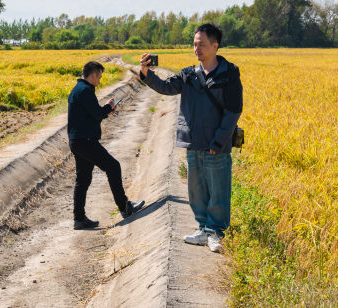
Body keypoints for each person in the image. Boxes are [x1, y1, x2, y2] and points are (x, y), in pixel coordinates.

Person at [139, 23, 242, 253]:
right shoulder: (189, 75)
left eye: (202, 44)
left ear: (215, 46)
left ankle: (216, 233)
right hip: (193, 142)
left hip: (217, 144)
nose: (197, 49)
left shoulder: (229, 74)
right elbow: (166, 87)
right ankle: (203, 228)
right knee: (196, 190)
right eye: (195, 44)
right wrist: (147, 74)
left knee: (219, 190)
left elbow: (234, 111)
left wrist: (219, 141)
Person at [68, 60, 144, 230]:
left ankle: (79, 218)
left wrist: (106, 109)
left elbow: (91, 114)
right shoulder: (86, 91)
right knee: (113, 167)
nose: (100, 80)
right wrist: (109, 107)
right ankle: (125, 207)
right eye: (99, 77)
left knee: (83, 179)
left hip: (76, 141)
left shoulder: (76, 90)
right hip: (85, 141)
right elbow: (97, 114)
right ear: (93, 74)